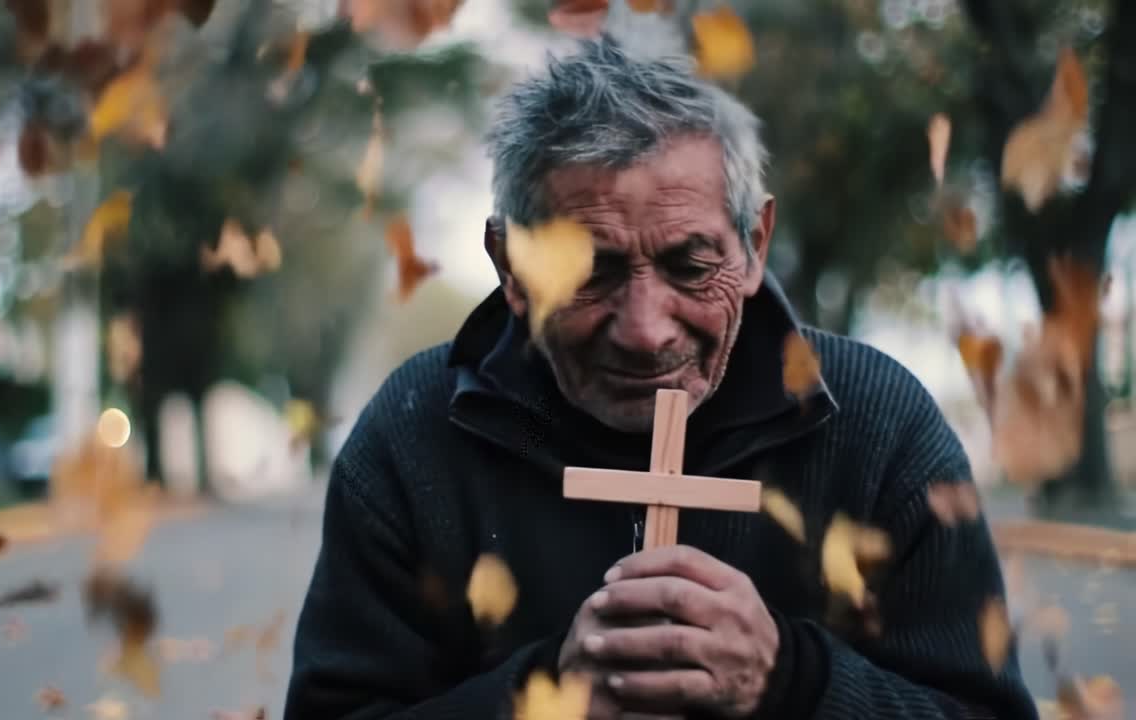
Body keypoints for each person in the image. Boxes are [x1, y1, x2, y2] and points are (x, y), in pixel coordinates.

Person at [285, 38, 1037, 720]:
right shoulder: (414, 436)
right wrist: (543, 699)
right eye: (589, 270)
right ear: (511, 267)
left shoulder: (881, 427)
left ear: (753, 246)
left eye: (689, 264)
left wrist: (794, 681)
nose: (646, 330)